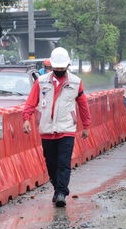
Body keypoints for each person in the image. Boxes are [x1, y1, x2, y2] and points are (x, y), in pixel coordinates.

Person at [22, 47, 91, 207]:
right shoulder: (41, 82)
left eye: (62, 67)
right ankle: (57, 189)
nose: (59, 70)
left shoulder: (75, 82)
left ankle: (62, 192)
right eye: (56, 67)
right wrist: (26, 118)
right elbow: (31, 102)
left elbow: (83, 105)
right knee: (51, 163)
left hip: (67, 129)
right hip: (47, 129)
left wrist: (86, 125)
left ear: (67, 65)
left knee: (64, 162)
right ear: (52, 66)